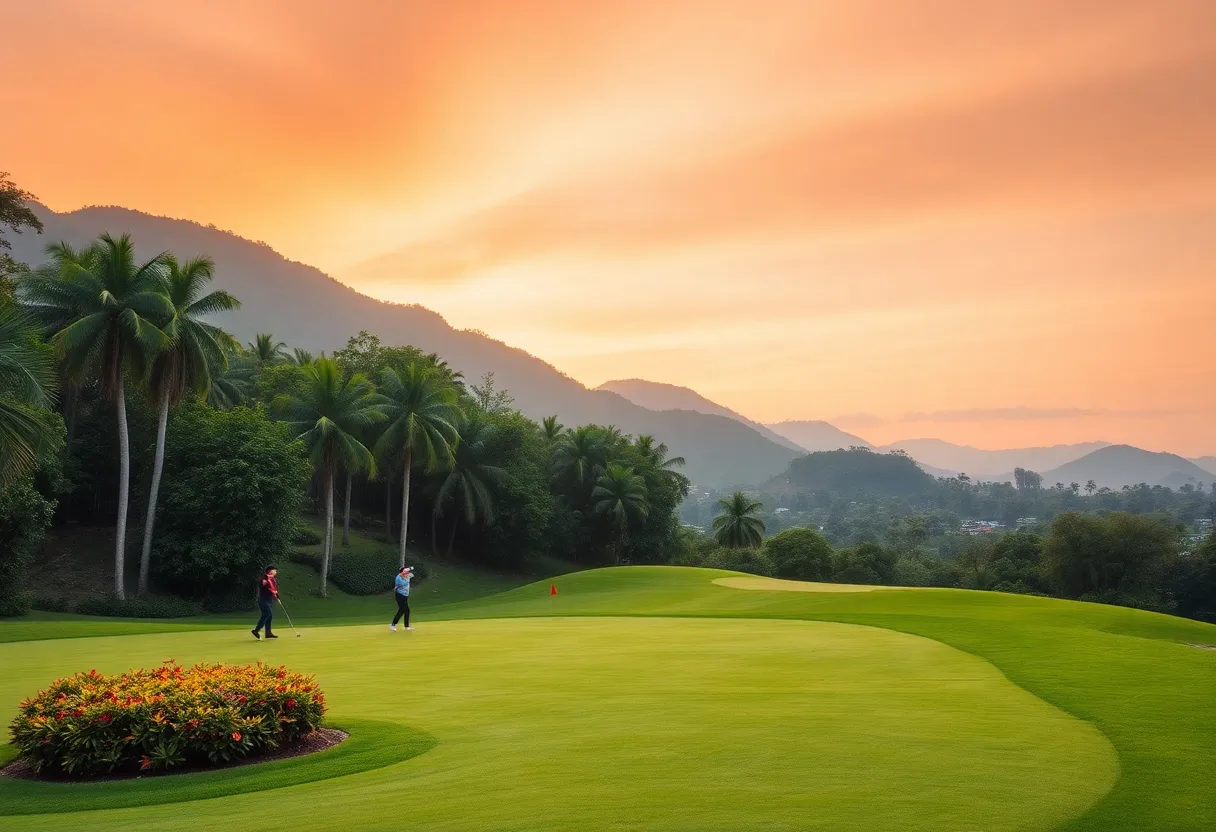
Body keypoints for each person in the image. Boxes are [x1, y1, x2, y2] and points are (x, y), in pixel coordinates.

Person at [252, 566, 279, 640]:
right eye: (274, 571)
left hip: (269, 600)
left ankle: (268, 633)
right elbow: (262, 583)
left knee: (269, 616)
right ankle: (256, 630)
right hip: (263, 600)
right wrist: (266, 581)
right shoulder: (265, 578)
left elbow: (274, 589)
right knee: (267, 614)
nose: (276, 572)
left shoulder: (273, 580)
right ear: (270, 571)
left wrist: (277, 597)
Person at [390, 566, 414, 631]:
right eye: (404, 572)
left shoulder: (405, 575)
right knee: (402, 610)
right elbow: (403, 584)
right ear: (401, 572)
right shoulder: (398, 578)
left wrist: (410, 569)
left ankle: (407, 626)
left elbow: (410, 571)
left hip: (405, 595)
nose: (406, 573)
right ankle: (393, 624)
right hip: (400, 595)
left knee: (406, 611)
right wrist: (408, 578)